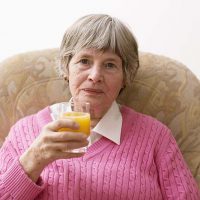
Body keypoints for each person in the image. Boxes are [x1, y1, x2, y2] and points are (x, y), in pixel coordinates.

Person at [0, 14, 199, 200]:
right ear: (66, 69)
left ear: (125, 77)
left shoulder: (156, 136)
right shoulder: (25, 132)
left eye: (110, 65)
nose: (95, 76)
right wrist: (34, 160)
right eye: (84, 61)